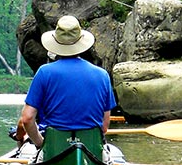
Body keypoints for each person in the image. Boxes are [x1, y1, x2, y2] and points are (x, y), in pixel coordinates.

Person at [14, 15, 115, 149]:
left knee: (23, 146)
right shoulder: (102, 75)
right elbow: (104, 126)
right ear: (81, 42)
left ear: (56, 42)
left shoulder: (44, 72)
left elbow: (26, 119)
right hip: (91, 147)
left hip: (54, 148)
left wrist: (41, 144)